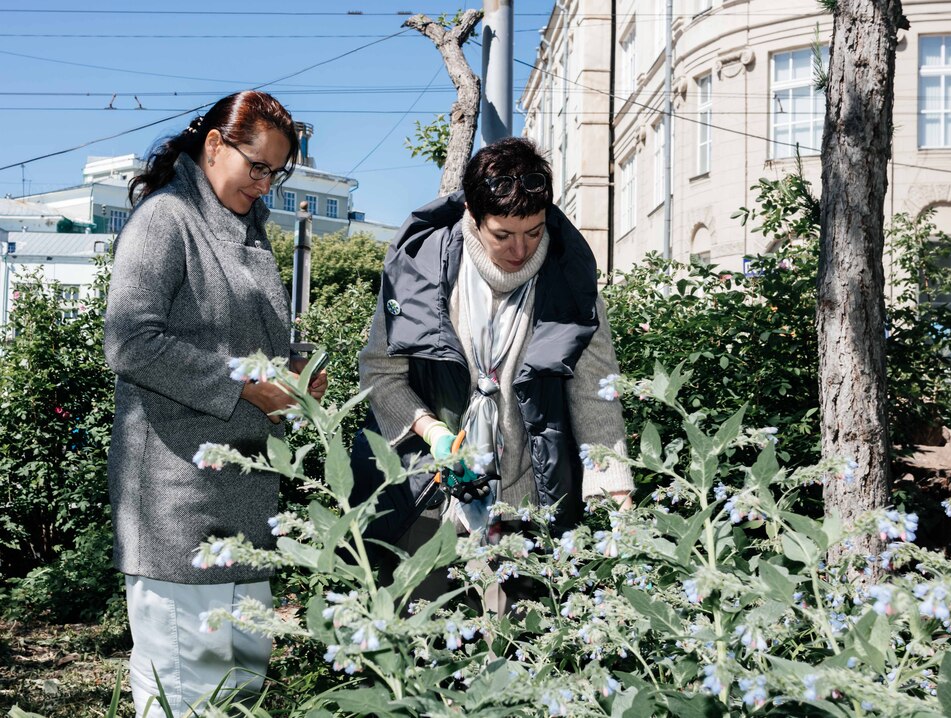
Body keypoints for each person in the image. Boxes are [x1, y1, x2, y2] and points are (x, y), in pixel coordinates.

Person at [103, 90, 327, 716]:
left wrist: (296, 371)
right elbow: (129, 343)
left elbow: (243, 343)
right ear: (213, 144)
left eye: (275, 174)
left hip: (246, 507)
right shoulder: (165, 219)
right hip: (178, 511)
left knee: (237, 698)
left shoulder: (248, 232)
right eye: (256, 167)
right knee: (185, 697)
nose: (265, 184)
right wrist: (245, 384)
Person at [350, 136, 632, 605]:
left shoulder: (570, 279)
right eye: (503, 235)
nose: (520, 250)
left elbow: (594, 390)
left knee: (525, 652)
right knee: (426, 643)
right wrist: (435, 434)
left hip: (530, 496)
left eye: (534, 232)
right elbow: (381, 373)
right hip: (432, 494)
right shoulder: (419, 270)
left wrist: (614, 487)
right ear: (474, 218)